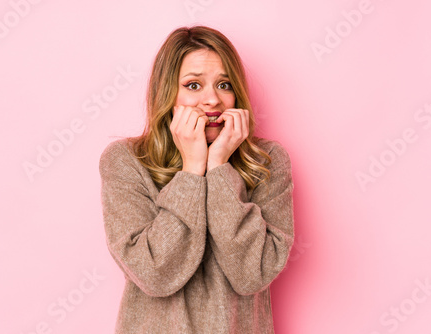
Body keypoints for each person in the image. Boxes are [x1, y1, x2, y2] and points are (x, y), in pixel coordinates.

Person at [99, 25, 294, 334]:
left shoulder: (267, 162)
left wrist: (218, 167)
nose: (212, 100)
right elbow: (153, 274)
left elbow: (252, 274)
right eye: (193, 85)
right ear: (167, 93)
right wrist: (191, 169)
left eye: (224, 84)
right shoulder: (126, 161)